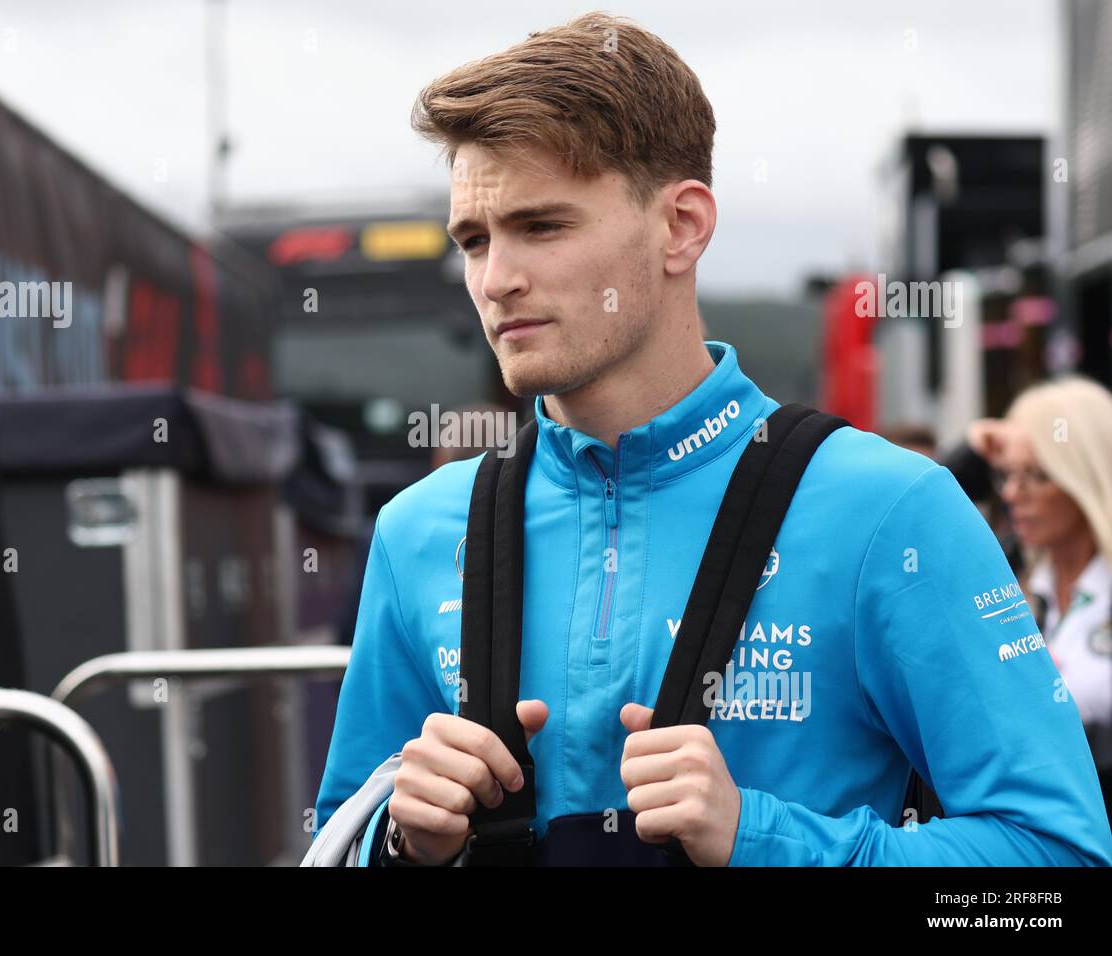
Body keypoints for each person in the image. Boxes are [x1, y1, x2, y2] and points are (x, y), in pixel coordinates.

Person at [312, 12, 1112, 866]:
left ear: (683, 226)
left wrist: (763, 837)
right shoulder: (416, 530)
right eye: (473, 240)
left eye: (542, 227)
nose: (496, 280)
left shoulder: (889, 510)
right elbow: (333, 839)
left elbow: (1054, 865)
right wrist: (399, 841)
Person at [969, 378, 1112, 822]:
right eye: (1007, 475)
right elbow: (935, 489)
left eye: (1037, 476)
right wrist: (980, 446)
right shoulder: (1019, 587)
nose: (1012, 494)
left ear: (1082, 476)